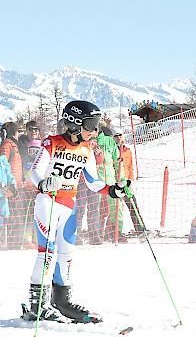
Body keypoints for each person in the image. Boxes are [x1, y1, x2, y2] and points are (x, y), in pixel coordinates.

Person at [22, 100, 131, 323]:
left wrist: (113, 190)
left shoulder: (86, 150)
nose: (94, 130)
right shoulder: (52, 143)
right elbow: (35, 171)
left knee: (66, 255)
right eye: (90, 124)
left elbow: (94, 182)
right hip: (48, 203)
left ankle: (61, 302)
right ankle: (37, 305)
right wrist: (43, 183)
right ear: (73, 123)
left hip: (69, 207)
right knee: (47, 253)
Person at [113, 129, 145, 236]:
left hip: (126, 182)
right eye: (116, 136)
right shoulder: (112, 150)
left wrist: (131, 180)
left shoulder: (127, 150)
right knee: (115, 209)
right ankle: (114, 231)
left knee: (133, 205)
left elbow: (130, 167)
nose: (118, 138)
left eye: (120, 135)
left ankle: (140, 229)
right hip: (114, 183)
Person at [0, 122, 27, 249]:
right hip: (11, 186)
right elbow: (3, 164)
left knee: (18, 215)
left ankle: (17, 242)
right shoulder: (7, 144)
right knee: (14, 215)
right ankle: (13, 244)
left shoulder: (14, 145)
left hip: (17, 184)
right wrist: (7, 184)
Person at [97, 124, 123, 242]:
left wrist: (121, 179)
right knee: (96, 208)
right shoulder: (88, 141)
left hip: (111, 180)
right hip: (95, 181)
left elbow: (117, 161)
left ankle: (116, 231)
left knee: (116, 207)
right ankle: (96, 233)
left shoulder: (109, 141)